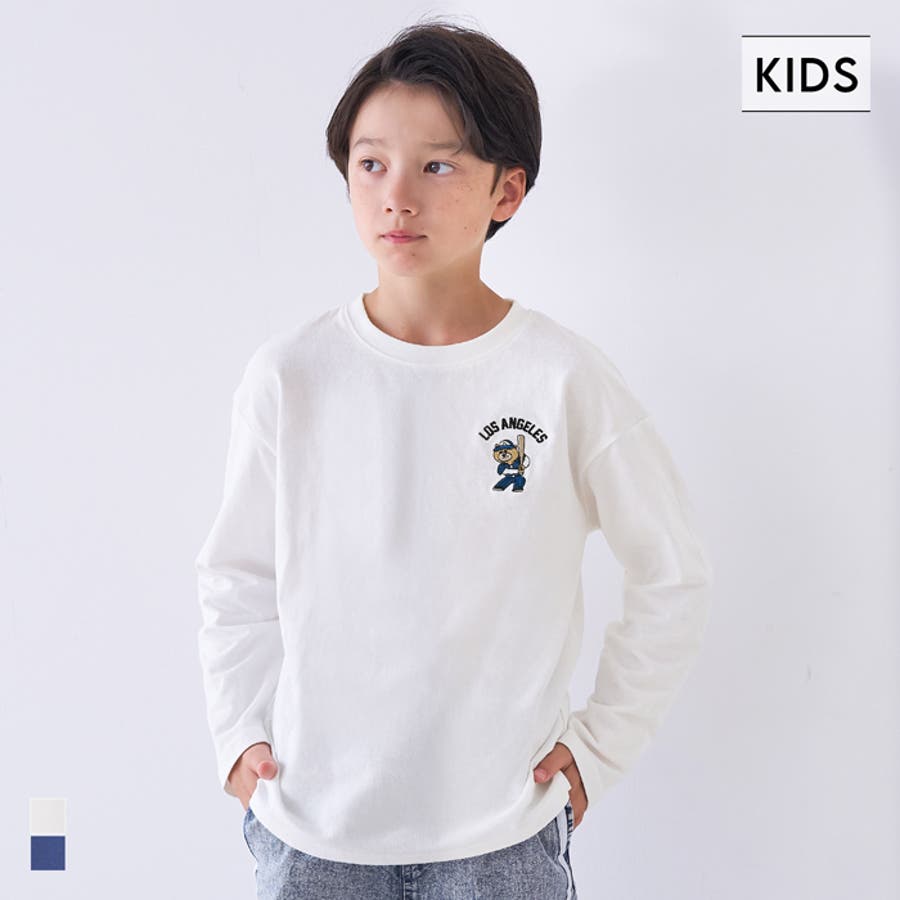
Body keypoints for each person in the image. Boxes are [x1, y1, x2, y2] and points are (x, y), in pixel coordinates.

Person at [195, 18, 714, 900]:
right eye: (371, 164)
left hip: (501, 838)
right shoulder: (292, 375)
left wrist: (598, 747)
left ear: (507, 190)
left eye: (437, 167)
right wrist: (239, 733)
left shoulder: (562, 379)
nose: (396, 197)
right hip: (312, 829)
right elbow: (236, 574)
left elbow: (673, 573)